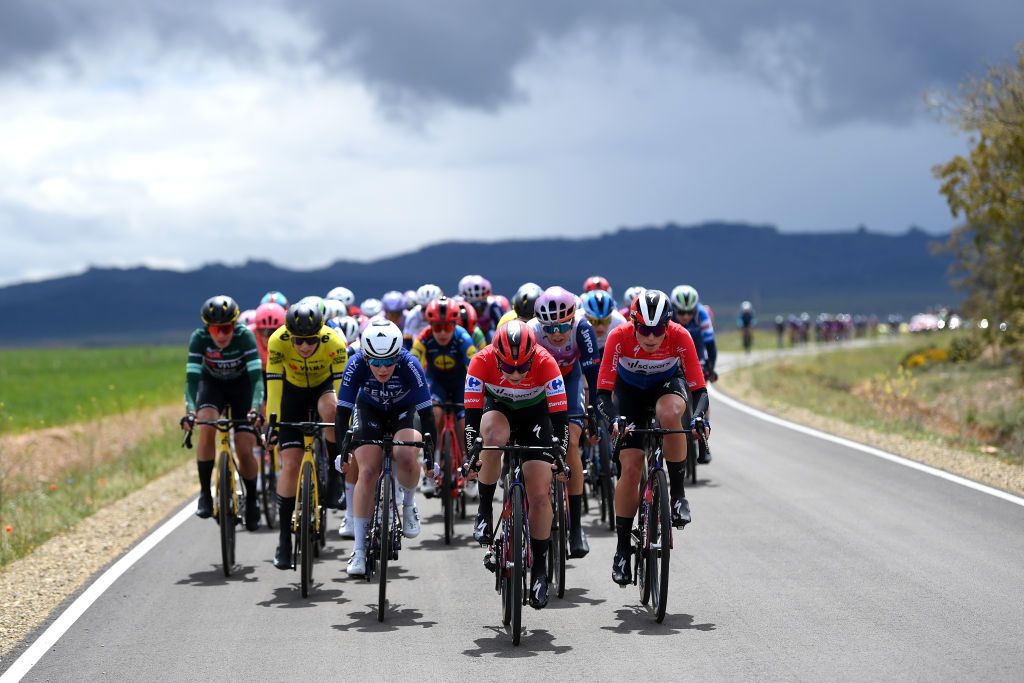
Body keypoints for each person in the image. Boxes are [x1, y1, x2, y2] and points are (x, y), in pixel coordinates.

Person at [595, 290, 709, 586]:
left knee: (670, 416)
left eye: (657, 330)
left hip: (666, 386)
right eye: (643, 329)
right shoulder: (618, 337)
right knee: (631, 467)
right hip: (628, 394)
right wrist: (614, 418)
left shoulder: (680, 336)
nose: (650, 336)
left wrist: (697, 417)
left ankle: (678, 496)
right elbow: (603, 394)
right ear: (633, 323)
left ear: (667, 327)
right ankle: (622, 549)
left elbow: (699, 389)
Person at [464, 321, 568, 609]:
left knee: (539, 491)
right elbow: (472, 420)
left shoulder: (547, 363)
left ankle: (539, 571)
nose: (516, 373)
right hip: (498, 412)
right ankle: (485, 508)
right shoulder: (481, 361)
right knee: (492, 438)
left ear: (533, 355)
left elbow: (560, 420)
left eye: (523, 367)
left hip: (537, 417)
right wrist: (472, 456)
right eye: (508, 368)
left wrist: (559, 456)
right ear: (496, 357)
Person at [333, 320, 437, 576]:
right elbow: (343, 410)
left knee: (407, 455)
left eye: (388, 362)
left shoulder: (410, 364)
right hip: (369, 411)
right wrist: (341, 450)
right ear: (366, 356)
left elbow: (427, 415)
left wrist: (431, 455)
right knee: (367, 471)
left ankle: (409, 505)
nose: (382, 369)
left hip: (404, 412)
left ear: (398, 355)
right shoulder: (355, 363)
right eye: (376, 363)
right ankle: (358, 550)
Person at [265, 303, 349, 569]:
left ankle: (336, 476)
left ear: (320, 333)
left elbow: (342, 391)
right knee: (290, 465)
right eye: (298, 340)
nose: (303, 346)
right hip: (292, 393)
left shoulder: (334, 342)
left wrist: (345, 428)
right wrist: (273, 423)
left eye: (310, 340)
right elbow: (274, 388)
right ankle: (284, 540)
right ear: (290, 334)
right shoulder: (278, 341)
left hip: (323, 389)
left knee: (332, 410)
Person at [180, 295, 265, 531]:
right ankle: (206, 494)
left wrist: (256, 408)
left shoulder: (244, 336)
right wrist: (189, 412)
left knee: (245, 446)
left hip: (241, 387)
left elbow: (257, 379)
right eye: (215, 329)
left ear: (234, 325)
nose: (221, 335)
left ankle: (251, 501)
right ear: (208, 327)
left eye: (226, 328)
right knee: (206, 425)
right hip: (212, 386)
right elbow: (191, 381)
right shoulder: (199, 339)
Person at [528, 286, 600, 558]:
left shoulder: (583, 328)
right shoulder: (533, 332)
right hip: (538, 384)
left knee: (571, 442)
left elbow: (593, 373)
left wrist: (593, 412)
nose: (557, 334)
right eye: (551, 328)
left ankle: (577, 527)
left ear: (572, 320)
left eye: (562, 326)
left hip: (570, 380)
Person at [412, 296, 477, 495]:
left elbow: (474, 366)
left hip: (460, 383)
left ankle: (469, 463)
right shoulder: (423, 338)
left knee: (463, 421)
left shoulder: (463, 337)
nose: (441, 332)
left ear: (454, 324)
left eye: (447, 327)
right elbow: (412, 363)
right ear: (429, 324)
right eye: (437, 327)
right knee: (435, 414)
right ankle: (432, 461)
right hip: (437, 383)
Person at [579, 289, 626, 354]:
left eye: (605, 321)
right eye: (594, 321)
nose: (600, 327)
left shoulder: (619, 322)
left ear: (611, 317)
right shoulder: (577, 320)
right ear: (586, 317)